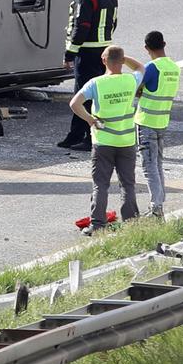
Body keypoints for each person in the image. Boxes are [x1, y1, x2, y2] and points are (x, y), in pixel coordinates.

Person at [68, 44, 145, 234]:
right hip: (126, 141)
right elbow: (141, 68)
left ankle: (98, 224)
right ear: (121, 61)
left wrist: (90, 120)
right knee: (127, 184)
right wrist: (124, 58)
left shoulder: (96, 83)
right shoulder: (130, 80)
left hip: (103, 142)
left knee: (100, 184)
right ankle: (131, 223)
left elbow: (74, 103)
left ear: (103, 60)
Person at [58, 0, 119, 150]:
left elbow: (80, 27)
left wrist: (69, 54)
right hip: (104, 49)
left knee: (83, 95)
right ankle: (76, 134)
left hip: (87, 52)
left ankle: (85, 136)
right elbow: (114, 23)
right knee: (95, 94)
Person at [134, 30, 181, 218]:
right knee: (158, 163)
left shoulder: (152, 67)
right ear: (164, 44)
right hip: (163, 121)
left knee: (149, 166)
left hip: (146, 122)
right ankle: (159, 203)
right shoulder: (174, 68)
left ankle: (156, 207)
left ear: (146, 48)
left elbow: (135, 88)